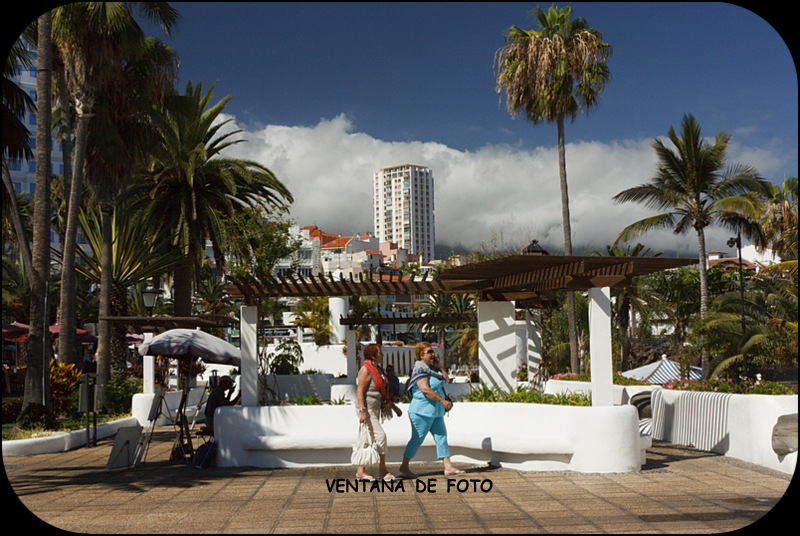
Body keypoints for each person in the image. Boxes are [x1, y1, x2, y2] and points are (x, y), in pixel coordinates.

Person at [398, 342, 464, 478]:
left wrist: (439, 367)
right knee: (417, 439)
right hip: (421, 412)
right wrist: (442, 401)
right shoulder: (420, 369)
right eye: (429, 352)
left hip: (436, 412)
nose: (432, 354)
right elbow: (425, 390)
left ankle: (448, 466)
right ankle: (404, 466)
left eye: (432, 351)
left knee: (442, 437)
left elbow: (446, 380)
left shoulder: (433, 370)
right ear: (421, 355)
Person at [353, 343, 400, 481]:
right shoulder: (365, 370)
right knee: (381, 436)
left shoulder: (377, 370)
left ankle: (360, 472)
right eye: (380, 353)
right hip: (367, 409)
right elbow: (359, 391)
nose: (382, 355)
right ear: (373, 355)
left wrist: (392, 407)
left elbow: (381, 392)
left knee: (365, 438)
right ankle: (383, 471)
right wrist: (362, 411)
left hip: (374, 408)